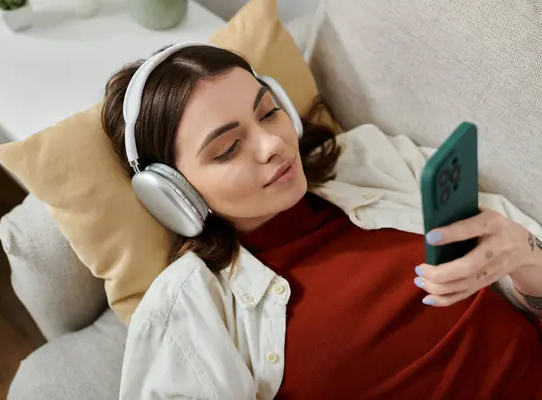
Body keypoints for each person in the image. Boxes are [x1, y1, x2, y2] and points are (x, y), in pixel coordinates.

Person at [101, 43, 542, 399]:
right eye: (228, 148)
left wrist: (526, 257)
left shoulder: (370, 160)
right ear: (173, 193)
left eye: (269, 112)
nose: (272, 143)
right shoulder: (186, 310)